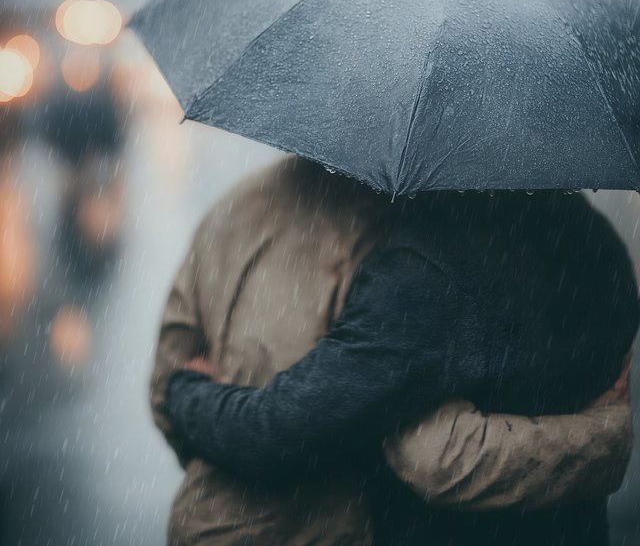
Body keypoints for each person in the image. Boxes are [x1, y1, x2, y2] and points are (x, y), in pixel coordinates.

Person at [152, 157, 637, 545]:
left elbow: (420, 456)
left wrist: (184, 392)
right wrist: (599, 439)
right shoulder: (596, 245)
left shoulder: (416, 266)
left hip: (242, 523)